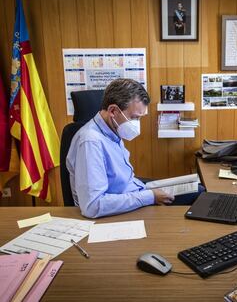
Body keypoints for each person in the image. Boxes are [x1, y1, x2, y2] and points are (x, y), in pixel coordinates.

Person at [66, 78, 204, 218]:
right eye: (134, 117)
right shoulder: (90, 142)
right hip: (117, 209)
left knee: (196, 188)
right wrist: (149, 197)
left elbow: (122, 180)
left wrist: (148, 190)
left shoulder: (111, 129)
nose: (136, 124)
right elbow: (93, 206)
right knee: (198, 195)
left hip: (131, 192)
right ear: (113, 111)